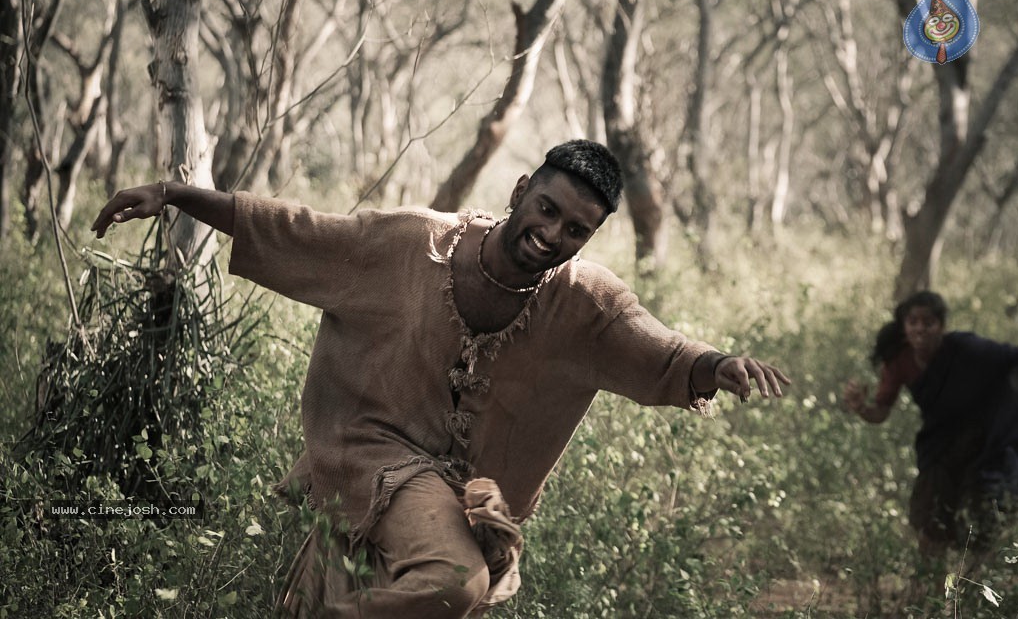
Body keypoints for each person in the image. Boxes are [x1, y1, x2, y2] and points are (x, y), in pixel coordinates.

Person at [92, 140, 789, 618]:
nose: (551, 234)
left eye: (575, 230)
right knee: (455, 582)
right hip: (369, 456)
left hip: (467, 491)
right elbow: (295, 229)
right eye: (547, 209)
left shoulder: (584, 303)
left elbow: (655, 346)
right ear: (522, 190)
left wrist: (714, 364)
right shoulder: (410, 244)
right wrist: (174, 194)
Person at [845, 290, 1018, 558]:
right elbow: (880, 412)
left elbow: (1014, 357)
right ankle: (931, 590)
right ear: (904, 327)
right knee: (930, 520)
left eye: (928, 322)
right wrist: (861, 407)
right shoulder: (900, 361)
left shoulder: (967, 349)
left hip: (985, 439)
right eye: (913, 322)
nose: (920, 329)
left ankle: (972, 587)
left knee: (983, 518)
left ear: (941, 326)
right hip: (941, 445)